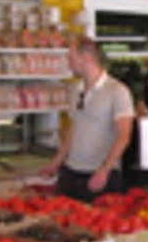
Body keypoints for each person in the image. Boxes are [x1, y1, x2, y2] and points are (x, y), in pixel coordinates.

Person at [40, 36, 135, 202]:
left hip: (99, 175)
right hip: (71, 173)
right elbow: (72, 130)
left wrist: (104, 170)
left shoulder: (117, 91)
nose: (68, 63)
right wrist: (56, 162)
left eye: (71, 57)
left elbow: (123, 136)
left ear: (86, 58)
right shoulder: (75, 90)